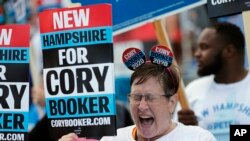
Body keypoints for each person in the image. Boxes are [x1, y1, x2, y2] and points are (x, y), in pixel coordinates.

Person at [59, 62, 216, 141]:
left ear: (172, 102)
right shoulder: (112, 140)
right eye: (136, 97)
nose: (141, 106)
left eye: (150, 97)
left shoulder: (199, 139)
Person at [177, 22, 250, 141]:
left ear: (229, 51)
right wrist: (184, 130)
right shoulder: (192, 91)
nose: (197, 54)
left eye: (204, 47)